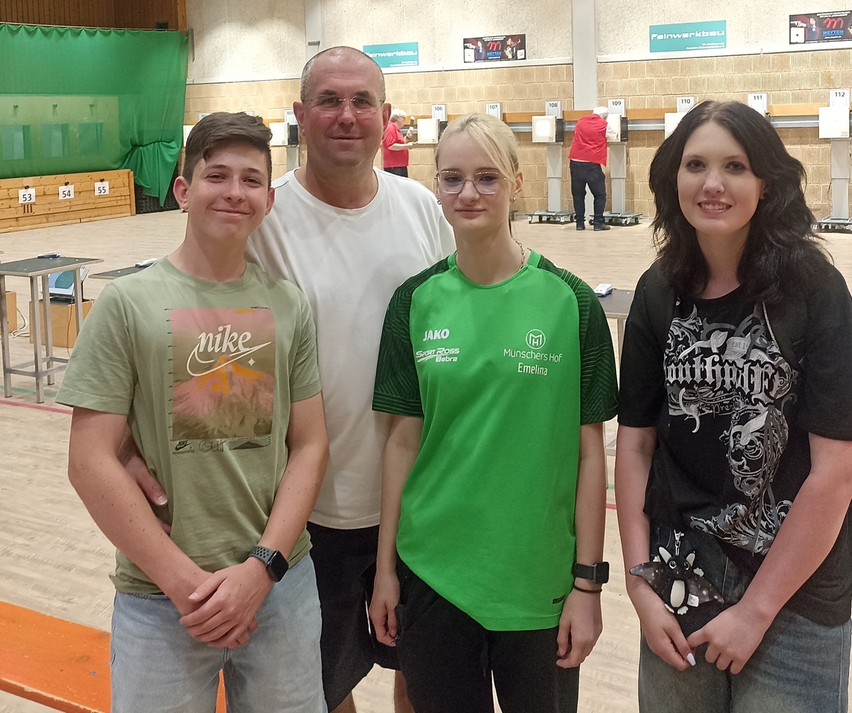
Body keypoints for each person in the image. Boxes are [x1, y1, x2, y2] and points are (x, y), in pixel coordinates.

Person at [614, 100, 852, 712]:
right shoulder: (658, 290)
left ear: (766, 183)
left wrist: (756, 610)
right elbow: (635, 444)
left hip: (793, 589)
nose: (713, 183)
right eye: (696, 165)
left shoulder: (813, 288)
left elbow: (837, 472)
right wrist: (639, 582)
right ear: (672, 179)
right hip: (681, 574)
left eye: (734, 166)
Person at [57, 112, 329, 712]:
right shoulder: (127, 304)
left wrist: (260, 570)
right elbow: (89, 460)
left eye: (252, 180)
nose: (235, 192)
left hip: (278, 591)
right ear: (183, 190)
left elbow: (310, 445)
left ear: (268, 201)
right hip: (161, 599)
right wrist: (188, 588)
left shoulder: (288, 305)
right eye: (217, 175)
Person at [369, 113, 618, 713]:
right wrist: (385, 571)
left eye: (487, 178)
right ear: (435, 186)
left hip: (538, 581)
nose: (468, 193)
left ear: (516, 182)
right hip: (433, 575)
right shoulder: (414, 301)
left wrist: (588, 583)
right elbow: (402, 443)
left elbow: (590, 455)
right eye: (452, 178)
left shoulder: (571, 301)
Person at [246, 47, 454, 713]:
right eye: (329, 100)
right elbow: (190, 321)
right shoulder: (260, 218)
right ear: (299, 114)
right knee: (323, 687)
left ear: (386, 116)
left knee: (423, 677)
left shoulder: (421, 209)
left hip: (421, 500)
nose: (346, 115)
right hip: (310, 513)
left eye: (362, 101)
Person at [568, 106, 616, 231]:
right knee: (599, 195)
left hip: (575, 161)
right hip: (591, 163)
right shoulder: (604, 124)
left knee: (578, 194)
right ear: (605, 117)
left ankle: (579, 223)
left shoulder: (581, 121)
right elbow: (613, 137)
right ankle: (598, 223)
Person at [383, 109, 413, 177]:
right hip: (394, 166)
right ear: (398, 118)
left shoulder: (396, 130)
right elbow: (391, 146)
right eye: (403, 118)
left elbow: (400, 143)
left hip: (400, 164)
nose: (404, 121)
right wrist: (407, 146)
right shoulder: (390, 128)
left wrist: (407, 137)